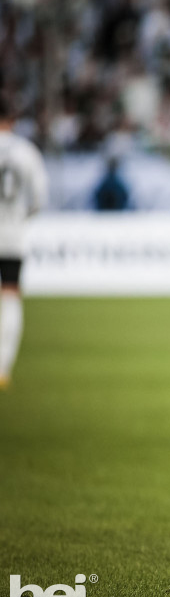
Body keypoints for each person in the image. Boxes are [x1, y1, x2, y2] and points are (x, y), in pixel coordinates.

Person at [0, 101, 48, 390]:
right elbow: (39, 198)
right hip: (12, 235)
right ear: (13, 118)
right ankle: (2, 366)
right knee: (10, 294)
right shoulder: (25, 151)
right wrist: (19, 219)